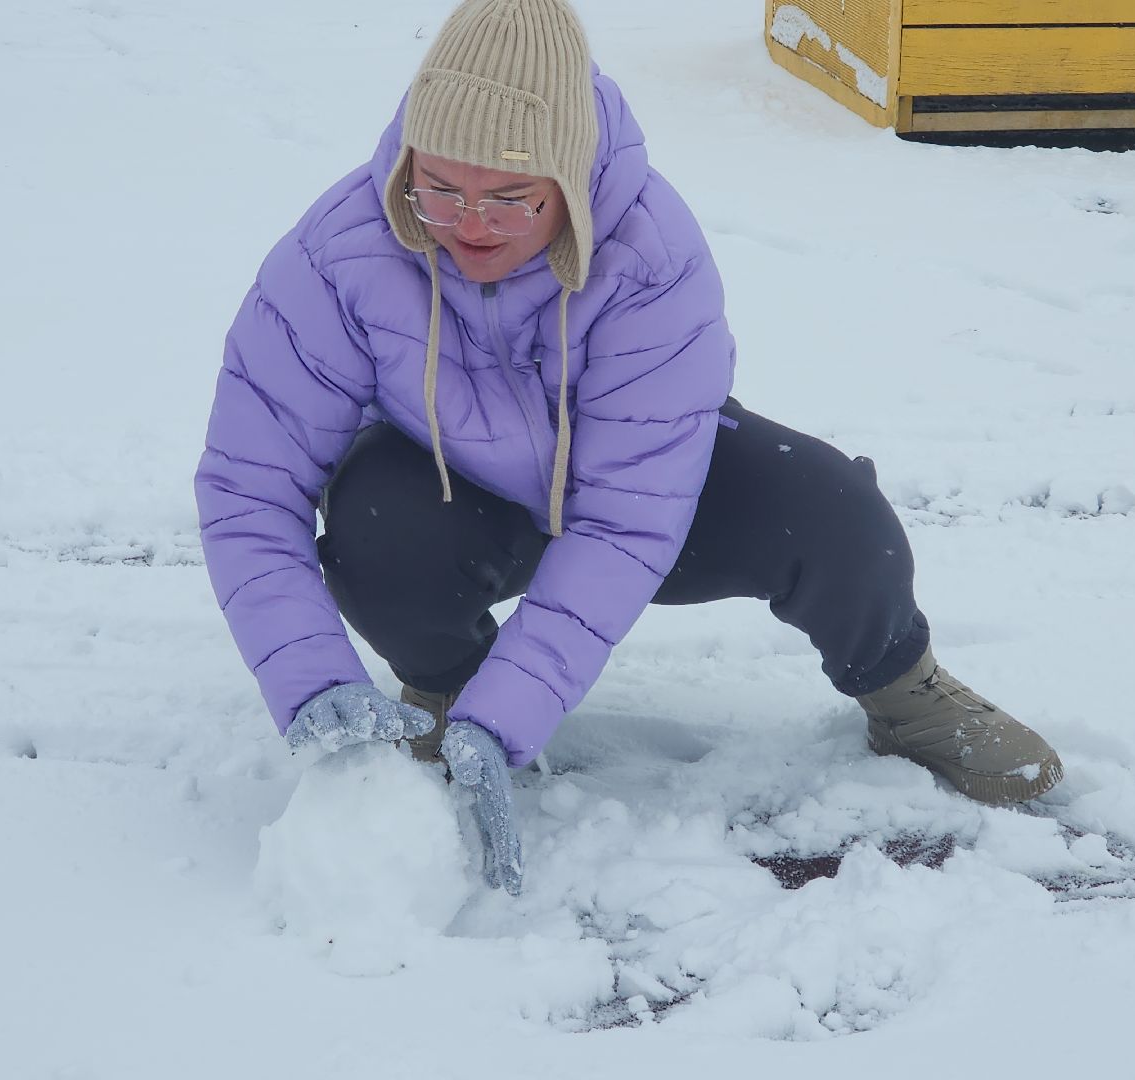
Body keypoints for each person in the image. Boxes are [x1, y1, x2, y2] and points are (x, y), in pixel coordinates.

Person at [194, 0, 1063, 896]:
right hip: (464, 496)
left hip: (636, 485)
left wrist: (514, 717)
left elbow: (624, 523)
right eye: (440, 188)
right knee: (377, 520)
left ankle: (902, 688)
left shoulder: (650, 256)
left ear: (568, 181)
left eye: (510, 198)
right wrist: (308, 680)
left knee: (838, 516)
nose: (467, 225)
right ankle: (448, 690)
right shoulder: (342, 251)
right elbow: (246, 487)